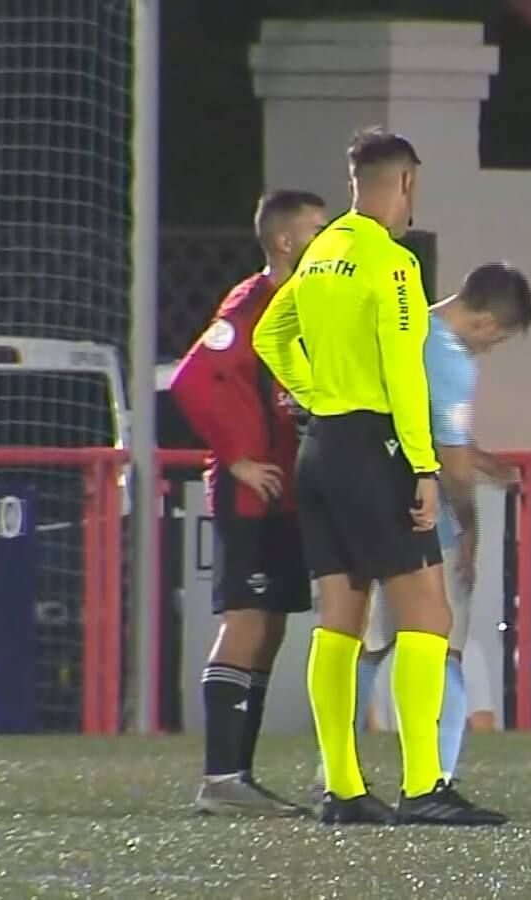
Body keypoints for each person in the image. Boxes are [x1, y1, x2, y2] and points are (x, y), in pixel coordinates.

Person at [251, 127, 504, 826]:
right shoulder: (390, 263)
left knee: (341, 617)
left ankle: (344, 789)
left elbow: (268, 336)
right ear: (406, 183)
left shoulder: (321, 251)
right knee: (429, 614)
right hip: (372, 448)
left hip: (321, 446)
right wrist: (424, 467)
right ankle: (423, 787)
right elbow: (403, 371)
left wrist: (312, 392)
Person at [171, 189, 327, 816]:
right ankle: (220, 778)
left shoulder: (294, 304)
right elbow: (190, 379)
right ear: (286, 241)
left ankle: (237, 776)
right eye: (318, 230)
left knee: (269, 628)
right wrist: (235, 456)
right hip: (251, 496)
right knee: (248, 623)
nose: (328, 241)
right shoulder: (251, 301)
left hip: (283, 495)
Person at [353, 263, 531, 781]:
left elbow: (419, 424)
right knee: (443, 645)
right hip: (423, 517)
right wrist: (470, 529)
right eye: (496, 342)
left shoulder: (400, 329)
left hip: (362, 503)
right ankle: (435, 776)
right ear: (488, 325)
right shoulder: (454, 359)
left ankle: (334, 769)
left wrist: (477, 456)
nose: (488, 351)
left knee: (363, 647)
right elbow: (449, 464)